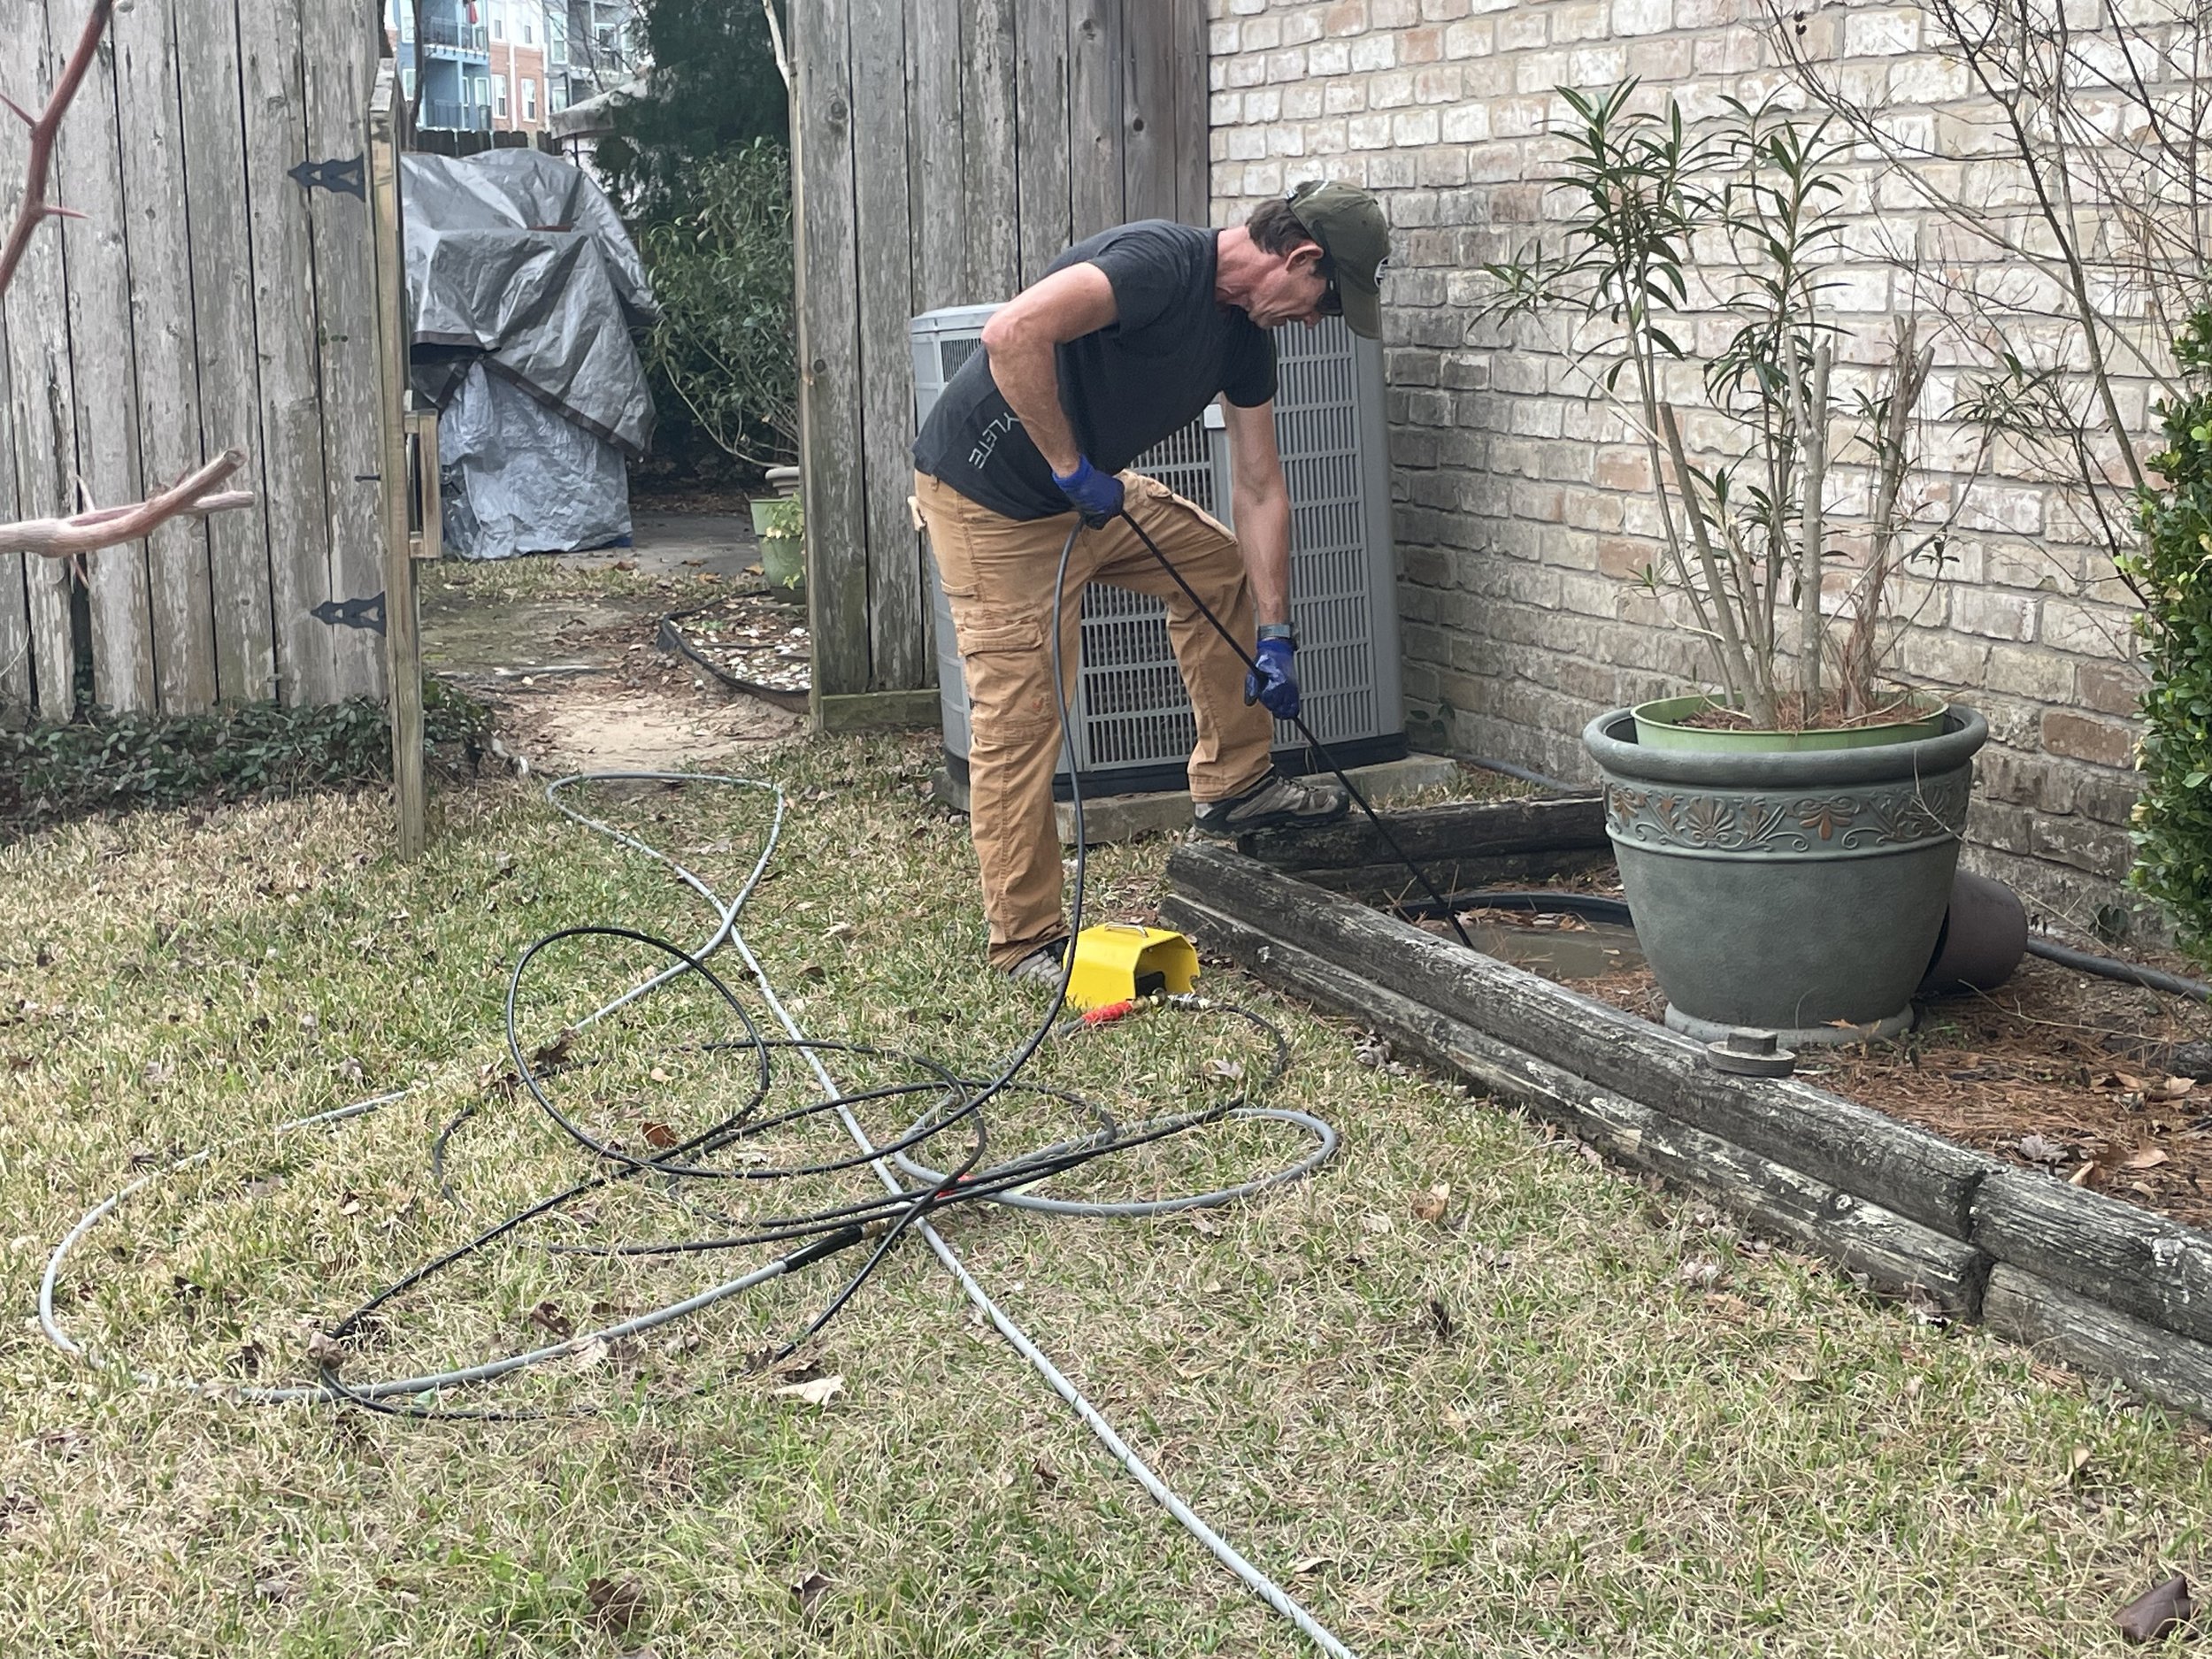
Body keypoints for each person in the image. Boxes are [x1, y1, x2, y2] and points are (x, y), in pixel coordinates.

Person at [911, 180, 1392, 982]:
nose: (1314, 324)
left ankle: (1236, 785)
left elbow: (1262, 486)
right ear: (1301, 258)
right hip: (991, 500)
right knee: (1023, 715)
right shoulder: (1159, 265)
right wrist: (1069, 467)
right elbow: (1011, 332)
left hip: (1089, 489)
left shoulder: (1246, 340)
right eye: (1323, 304)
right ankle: (1024, 939)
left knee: (1217, 566)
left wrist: (1277, 634)